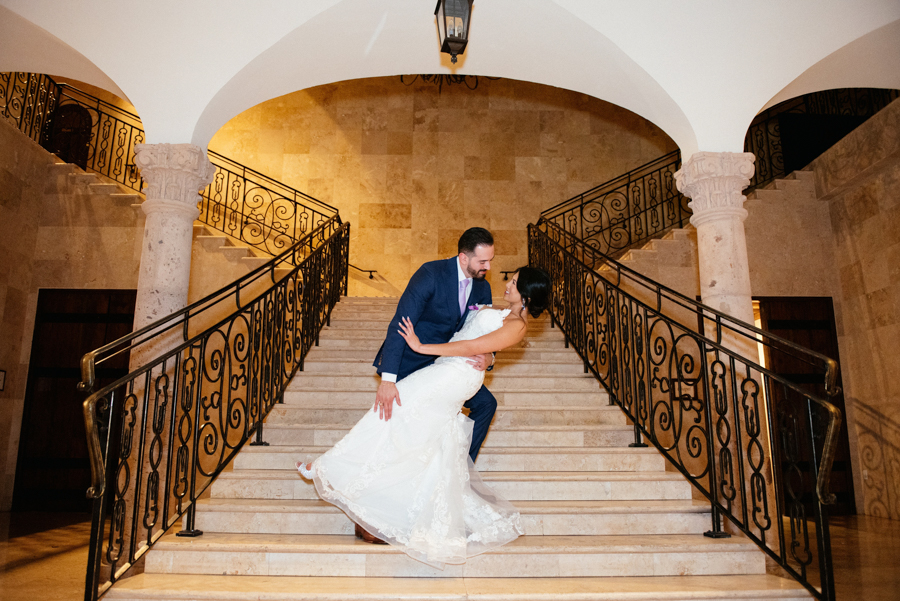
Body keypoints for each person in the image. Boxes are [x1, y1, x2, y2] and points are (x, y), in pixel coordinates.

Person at [297, 267, 552, 568]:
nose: (507, 283)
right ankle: (373, 487)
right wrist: (489, 355)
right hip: (448, 371)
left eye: (514, 282)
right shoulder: (502, 312)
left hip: (454, 376)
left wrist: (421, 346)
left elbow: (472, 347)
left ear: (527, 294)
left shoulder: (517, 325)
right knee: (410, 428)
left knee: (395, 410)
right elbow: (480, 341)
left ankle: (329, 465)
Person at [374, 227, 497, 463]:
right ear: (463, 257)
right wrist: (388, 380)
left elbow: (484, 335)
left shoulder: (483, 287)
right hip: (411, 361)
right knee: (392, 427)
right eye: (482, 261)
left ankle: (460, 469)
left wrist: (490, 358)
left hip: (448, 366)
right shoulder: (431, 273)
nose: (488, 267)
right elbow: (401, 323)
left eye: (490, 260)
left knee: (486, 404)